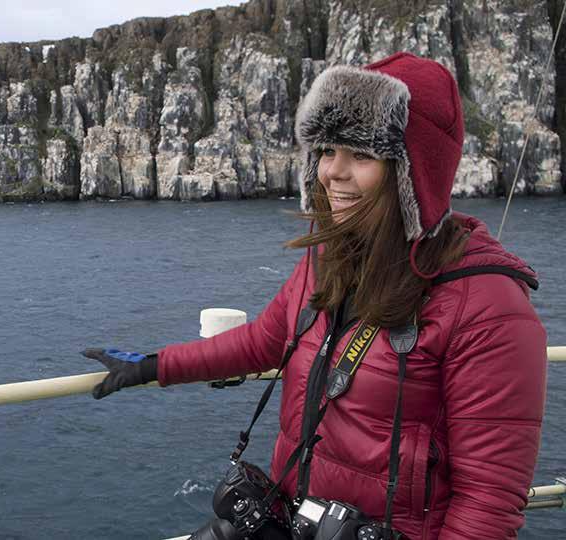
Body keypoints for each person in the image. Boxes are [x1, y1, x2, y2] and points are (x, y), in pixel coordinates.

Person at [84, 52, 548, 539]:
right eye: (328, 150)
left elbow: (487, 506)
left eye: (362, 154)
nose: (334, 172)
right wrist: (155, 366)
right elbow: (263, 342)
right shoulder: (333, 258)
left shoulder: (488, 306)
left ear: (416, 174)